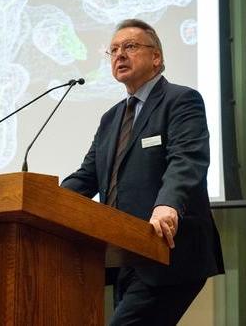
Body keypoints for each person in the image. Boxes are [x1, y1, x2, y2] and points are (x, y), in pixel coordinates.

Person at [60, 19, 224, 326]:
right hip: (121, 255)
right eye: (113, 50)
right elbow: (87, 176)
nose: (119, 54)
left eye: (130, 46)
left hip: (167, 251)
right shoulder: (111, 118)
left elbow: (186, 160)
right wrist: (49, 201)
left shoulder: (180, 100)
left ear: (157, 57)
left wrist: (168, 204)